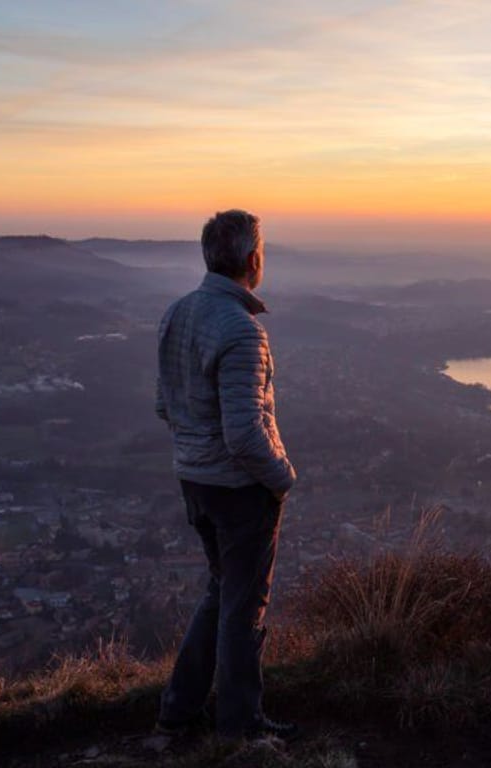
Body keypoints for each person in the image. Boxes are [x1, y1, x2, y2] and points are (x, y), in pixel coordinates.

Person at [153, 209, 298, 741]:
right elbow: (244, 434)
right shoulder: (242, 331)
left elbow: (164, 404)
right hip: (240, 489)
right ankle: (241, 726)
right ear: (252, 259)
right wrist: (282, 478)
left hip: (194, 480)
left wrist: (195, 451)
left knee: (222, 593)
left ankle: (179, 707)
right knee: (243, 609)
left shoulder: (176, 314)